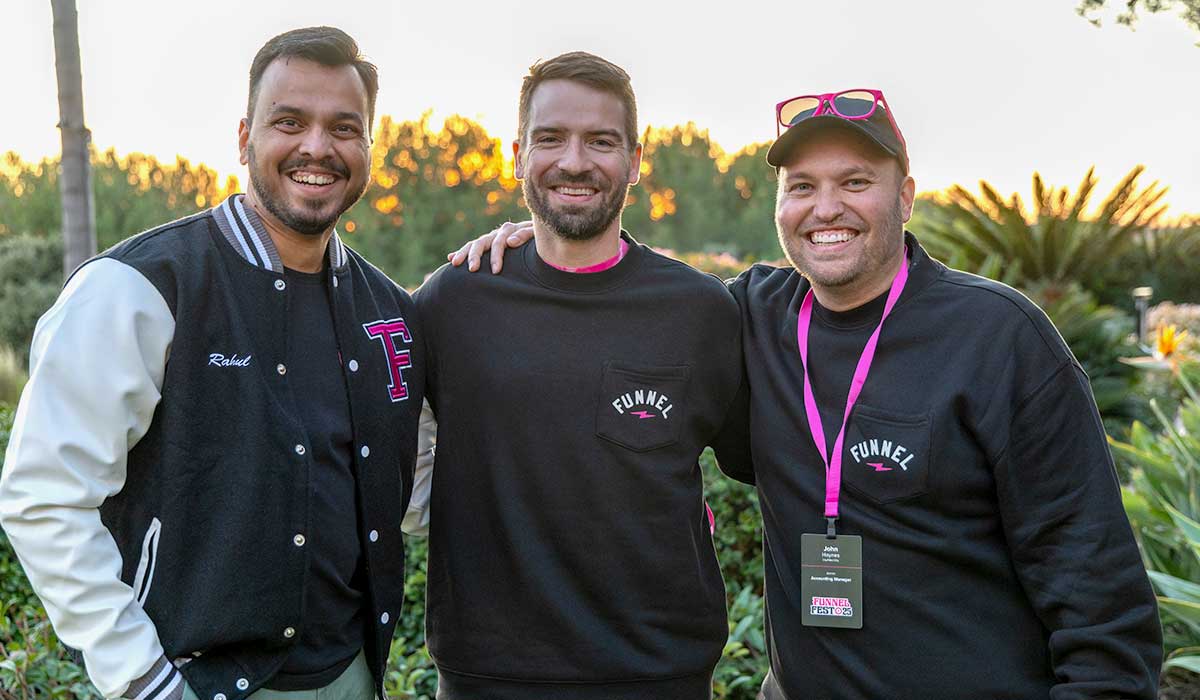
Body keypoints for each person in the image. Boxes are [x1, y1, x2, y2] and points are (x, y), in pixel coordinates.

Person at [449, 89, 1163, 697]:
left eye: (856, 182)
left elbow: (1102, 607)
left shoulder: (1000, 339)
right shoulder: (747, 318)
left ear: (906, 196)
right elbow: (623, 295)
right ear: (780, 205)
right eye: (801, 186)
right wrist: (540, 243)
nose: (827, 208)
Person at [0, 27, 424, 700]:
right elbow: (42, 496)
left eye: (345, 127)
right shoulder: (141, 287)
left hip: (353, 675)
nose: (317, 146)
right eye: (289, 121)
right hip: (188, 683)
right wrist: (139, 678)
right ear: (243, 137)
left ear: (368, 147)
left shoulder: (391, 312)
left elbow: (422, 486)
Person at [407, 51, 746, 699]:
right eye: (550, 138)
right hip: (488, 677)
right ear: (516, 156)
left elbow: (768, 461)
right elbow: (393, 452)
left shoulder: (700, 310)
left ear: (636, 161)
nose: (574, 161)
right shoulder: (454, 300)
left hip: (659, 676)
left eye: (601, 141)